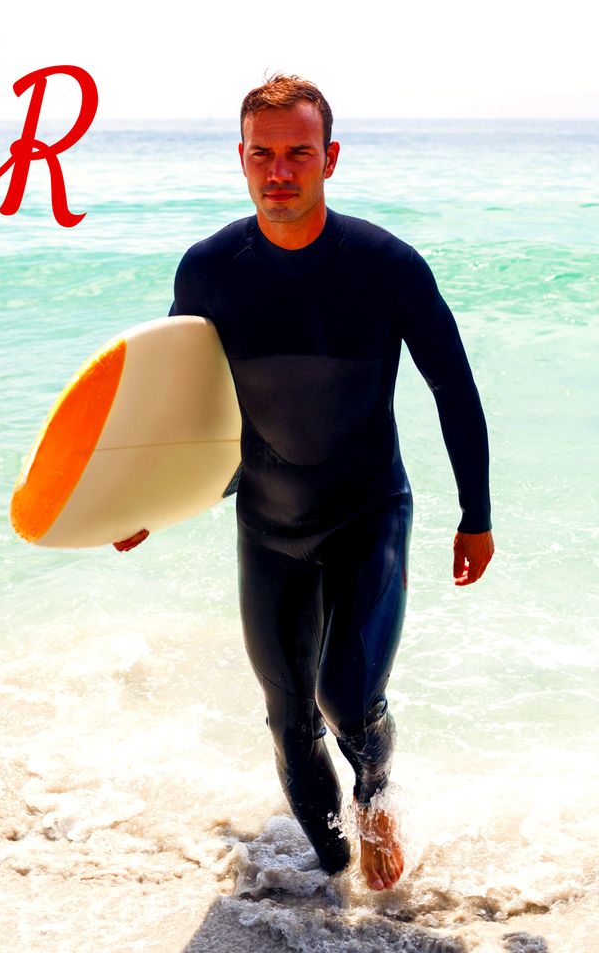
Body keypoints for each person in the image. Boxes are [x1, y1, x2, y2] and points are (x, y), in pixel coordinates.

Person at [114, 75, 494, 892]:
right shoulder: (212, 269)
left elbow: (454, 388)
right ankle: (328, 885)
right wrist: (146, 498)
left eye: (298, 152)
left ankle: (376, 795)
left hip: (368, 512)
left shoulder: (385, 266)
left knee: (348, 700)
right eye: (263, 154)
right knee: (288, 719)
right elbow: (185, 408)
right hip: (269, 523)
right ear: (241, 158)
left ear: (330, 158)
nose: (279, 171)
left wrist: (476, 513)